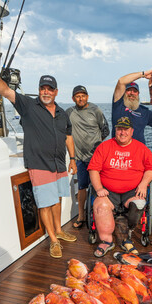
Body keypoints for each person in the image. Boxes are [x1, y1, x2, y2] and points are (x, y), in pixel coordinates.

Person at [0, 55, 77, 259]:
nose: (46, 92)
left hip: (59, 163)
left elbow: (68, 136)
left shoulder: (62, 113)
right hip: (39, 164)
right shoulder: (28, 105)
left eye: (50, 89)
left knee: (57, 200)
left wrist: (73, 159)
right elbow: (4, 90)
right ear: (39, 90)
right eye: (43, 88)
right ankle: (54, 240)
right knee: (45, 203)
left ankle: (59, 230)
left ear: (56, 92)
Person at [88, 116, 152, 257]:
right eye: (119, 129)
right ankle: (107, 241)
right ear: (115, 130)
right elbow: (93, 169)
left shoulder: (141, 148)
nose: (122, 132)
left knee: (138, 204)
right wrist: (98, 188)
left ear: (132, 131)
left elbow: (151, 169)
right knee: (101, 205)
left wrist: (144, 184)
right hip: (108, 192)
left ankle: (127, 237)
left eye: (126, 129)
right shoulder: (104, 146)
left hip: (133, 190)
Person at [66, 85, 109, 229]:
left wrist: (96, 147)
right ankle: (82, 216)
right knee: (82, 187)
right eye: (77, 96)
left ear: (87, 97)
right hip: (79, 158)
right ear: (73, 99)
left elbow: (106, 130)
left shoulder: (95, 110)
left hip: (95, 158)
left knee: (98, 188)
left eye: (83, 95)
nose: (80, 98)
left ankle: (97, 215)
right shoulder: (69, 112)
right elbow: (63, 130)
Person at [112, 70, 152, 144]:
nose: (132, 93)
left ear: (138, 93)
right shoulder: (118, 105)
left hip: (139, 152)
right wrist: (143, 74)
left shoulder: (144, 111)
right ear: (124, 92)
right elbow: (121, 81)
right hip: (119, 152)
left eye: (134, 91)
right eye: (129, 90)